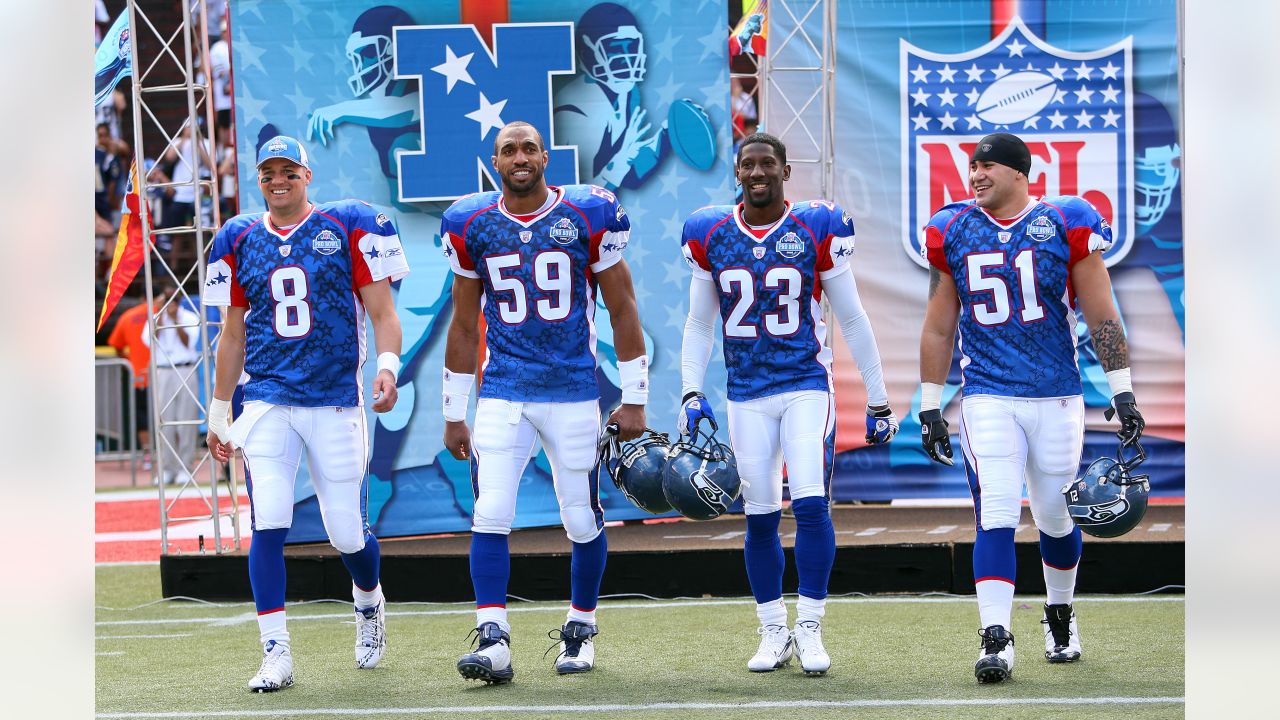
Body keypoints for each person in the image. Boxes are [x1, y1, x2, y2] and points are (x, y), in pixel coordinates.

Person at [916, 132, 1145, 684]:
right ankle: (995, 637)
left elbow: (1101, 314)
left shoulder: (1066, 221)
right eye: (971, 167)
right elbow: (940, 323)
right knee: (995, 509)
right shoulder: (953, 228)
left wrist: (1123, 389)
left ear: (1021, 172)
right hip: (988, 395)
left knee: (1055, 516)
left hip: (1056, 395)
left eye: (987, 166)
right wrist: (928, 403)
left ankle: (1059, 611)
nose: (975, 176)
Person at [678, 132, 899, 676]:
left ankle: (810, 625)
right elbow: (699, 323)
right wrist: (689, 391)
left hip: (804, 384)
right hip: (746, 392)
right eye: (748, 165)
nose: (757, 174)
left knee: (808, 503)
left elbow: (851, 318)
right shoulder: (710, 232)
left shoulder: (814, 227)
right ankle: (773, 628)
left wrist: (878, 398)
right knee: (758, 516)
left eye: (767, 165)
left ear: (785, 171)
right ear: (736, 172)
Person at [440, 121, 647, 684]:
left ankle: (580, 630)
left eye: (529, 147)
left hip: (573, 390)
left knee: (580, 518)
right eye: (508, 149)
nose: (520, 156)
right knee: (490, 513)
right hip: (504, 390)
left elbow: (623, 307)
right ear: (495, 161)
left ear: (546, 156)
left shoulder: (585, 214)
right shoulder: (472, 224)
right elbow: (462, 326)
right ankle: (494, 639)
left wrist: (635, 398)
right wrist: (453, 409)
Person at [203, 135, 408, 692]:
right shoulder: (239, 237)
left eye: (288, 171)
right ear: (258, 177)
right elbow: (232, 334)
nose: (278, 180)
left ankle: (368, 600)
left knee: (345, 533)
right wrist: (220, 409)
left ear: (306, 175)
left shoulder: (346, 226)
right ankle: (276, 655)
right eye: (268, 171)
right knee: (268, 520)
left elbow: (384, 313)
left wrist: (387, 365)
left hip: (334, 399)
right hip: (266, 398)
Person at [142, 280, 200, 485]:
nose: (171, 304)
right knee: (164, 420)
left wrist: (176, 320)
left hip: (185, 368)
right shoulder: (156, 317)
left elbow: (188, 342)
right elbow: (150, 340)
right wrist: (159, 316)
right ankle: (167, 468)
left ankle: (186, 467)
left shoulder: (190, 317)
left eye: (174, 300)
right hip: (164, 370)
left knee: (186, 421)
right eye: (167, 300)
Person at [107, 298, 153, 470]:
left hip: (139, 376)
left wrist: (130, 361)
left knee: (141, 418)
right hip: (162, 374)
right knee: (170, 416)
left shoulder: (128, 316)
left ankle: (148, 454)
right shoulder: (164, 312)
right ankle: (168, 455)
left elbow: (116, 345)